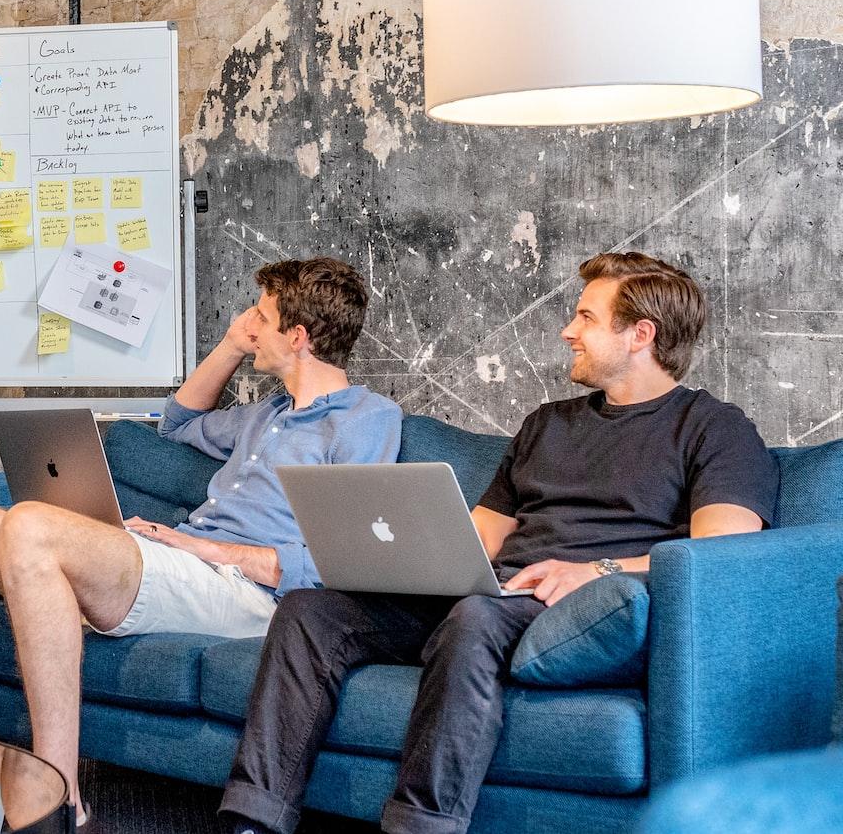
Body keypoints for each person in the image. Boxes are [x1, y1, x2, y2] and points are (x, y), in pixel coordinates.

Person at [219, 251, 780, 834]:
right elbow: (481, 537)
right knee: (313, 610)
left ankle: (422, 825)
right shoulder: (547, 424)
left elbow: (720, 556)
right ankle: (252, 818)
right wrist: (401, 559)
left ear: (641, 334)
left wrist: (598, 571)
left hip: (583, 608)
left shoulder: (715, 428)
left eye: (586, 318)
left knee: (475, 617)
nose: (568, 331)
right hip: (498, 594)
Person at [0, 257, 402, 819]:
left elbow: (346, 559)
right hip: (184, 566)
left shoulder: (365, 420)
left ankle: (59, 800)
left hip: (247, 594)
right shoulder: (265, 415)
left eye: (260, 318)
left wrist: (212, 549)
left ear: (298, 337)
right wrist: (229, 345)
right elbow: (177, 423)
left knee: (30, 525)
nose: (249, 324)